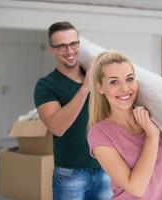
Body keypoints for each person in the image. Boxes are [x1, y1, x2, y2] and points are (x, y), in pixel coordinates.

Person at [87, 51, 162, 200]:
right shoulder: (99, 133)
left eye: (129, 79)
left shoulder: (155, 116)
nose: (125, 88)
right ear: (100, 88)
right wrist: (152, 135)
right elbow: (136, 188)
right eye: (114, 82)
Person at [34, 22, 112, 200]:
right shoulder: (46, 85)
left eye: (73, 44)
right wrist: (85, 87)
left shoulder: (98, 77)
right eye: (61, 46)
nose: (69, 51)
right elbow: (57, 127)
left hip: (106, 167)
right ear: (51, 50)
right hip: (71, 173)